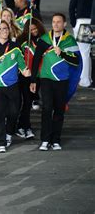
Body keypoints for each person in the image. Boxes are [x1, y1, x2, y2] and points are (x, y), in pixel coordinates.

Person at [30, 13, 80, 151]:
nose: (56, 24)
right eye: (53, 22)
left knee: (59, 109)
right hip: (46, 78)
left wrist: (62, 53)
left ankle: (56, 140)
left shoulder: (70, 41)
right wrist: (33, 80)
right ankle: (45, 140)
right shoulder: (45, 39)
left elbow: (76, 61)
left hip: (62, 80)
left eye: (59, 22)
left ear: (64, 24)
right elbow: (36, 60)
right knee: (46, 108)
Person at [0, 21, 31, 153]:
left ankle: (9, 132)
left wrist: (27, 72)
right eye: (1, 29)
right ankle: (1, 143)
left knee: (14, 112)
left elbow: (22, 65)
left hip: (13, 86)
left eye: (6, 28)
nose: (4, 31)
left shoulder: (15, 47)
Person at [16, 18, 46, 139]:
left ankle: (21, 126)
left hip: (38, 76)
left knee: (29, 101)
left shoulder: (43, 40)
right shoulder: (22, 41)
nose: (33, 31)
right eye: (31, 30)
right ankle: (26, 127)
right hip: (25, 76)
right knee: (27, 101)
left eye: (35, 29)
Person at [69, 0, 94, 87]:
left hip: (80, 22)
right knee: (86, 52)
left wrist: (73, 23)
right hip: (90, 21)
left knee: (84, 52)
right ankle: (86, 79)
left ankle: (85, 78)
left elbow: (71, 7)